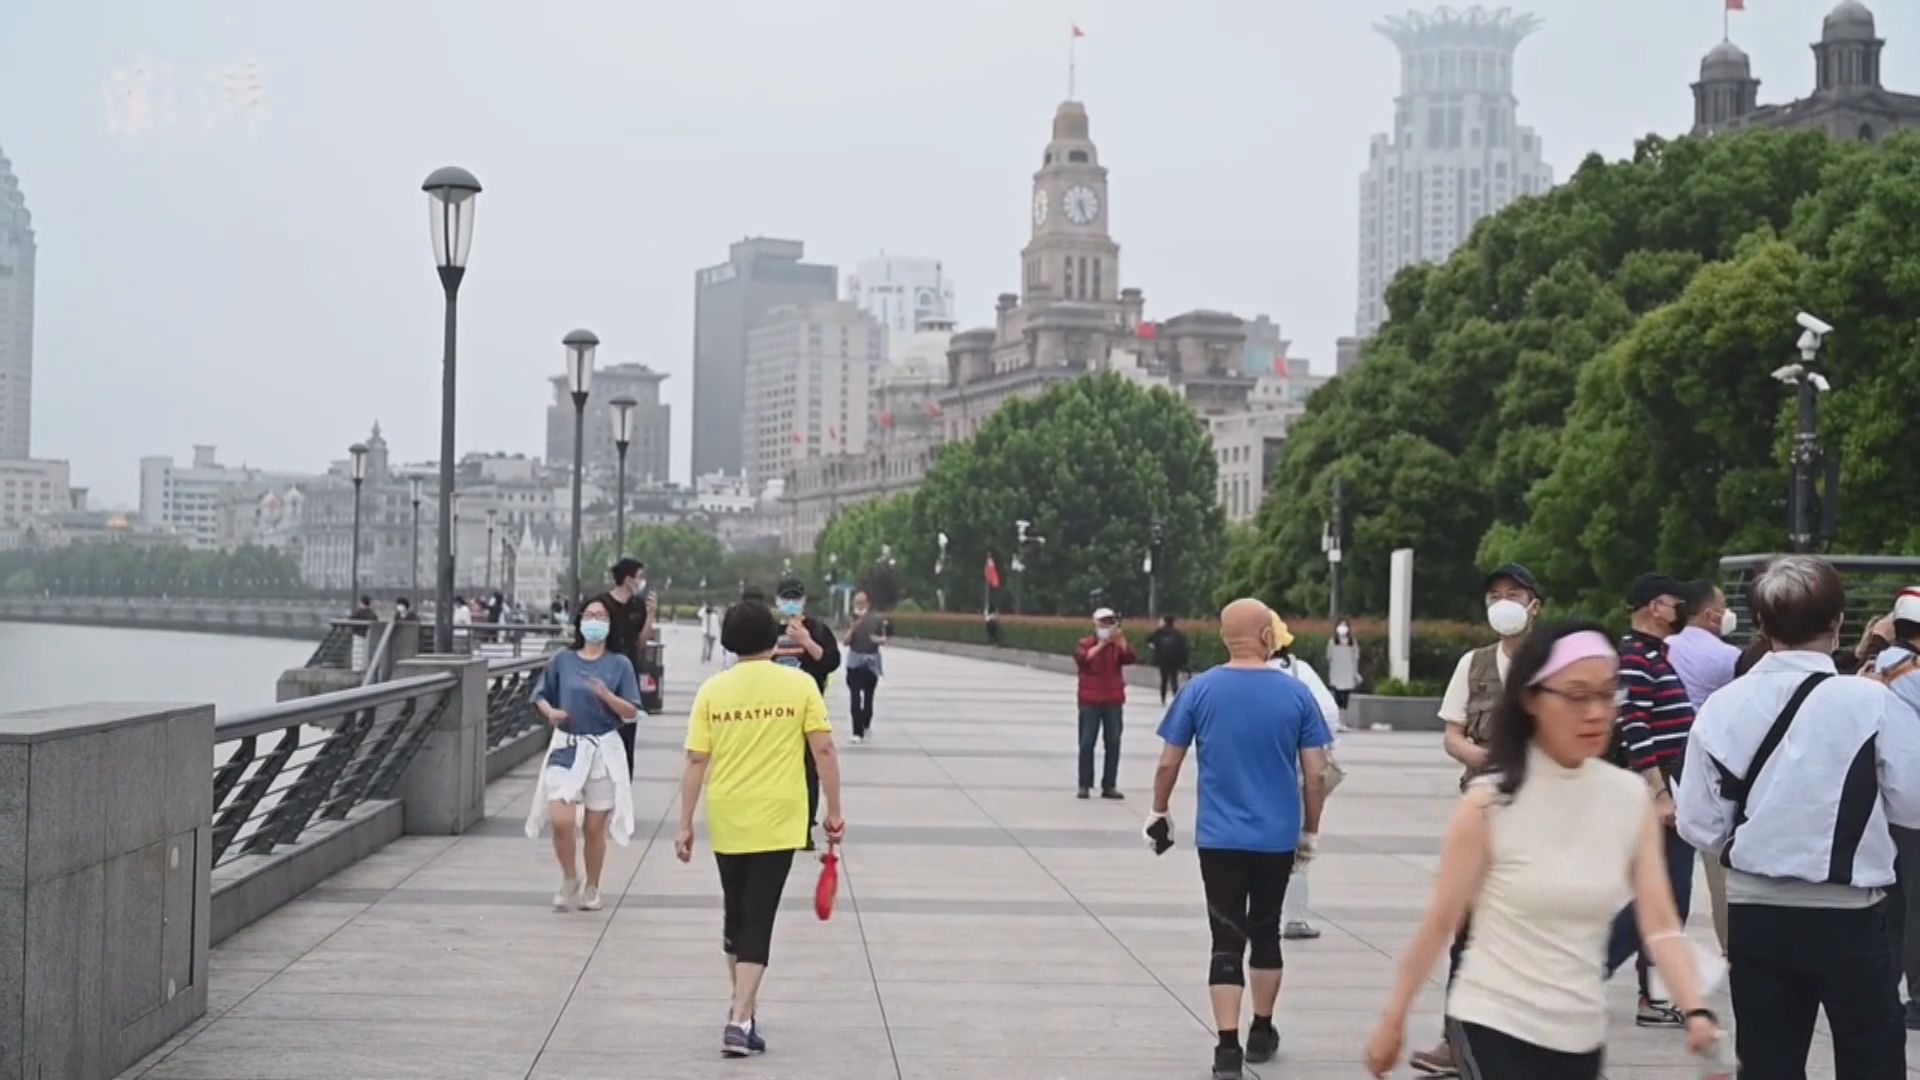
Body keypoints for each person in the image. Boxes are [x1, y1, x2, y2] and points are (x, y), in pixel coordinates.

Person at [1365, 622, 1720, 1079]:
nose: (1596, 713)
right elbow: (1439, 923)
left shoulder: (1629, 798)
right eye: (1576, 696)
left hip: (1578, 1031)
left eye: (1607, 694)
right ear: (1532, 699)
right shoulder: (1489, 803)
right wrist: (1394, 1018)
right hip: (1493, 1021)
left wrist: (1696, 1011)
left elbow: (1659, 923)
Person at [1677, 556, 1920, 1078]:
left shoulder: (1721, 706)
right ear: (1837, 625)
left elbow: (1698, 823)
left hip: (1756, 915)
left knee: (1767, 1063)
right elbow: (1912, 802)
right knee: (1872, 1062)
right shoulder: (1870, 702)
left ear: (1761, 626)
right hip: (1851, 917)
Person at [1149, 599, 1331, 1080]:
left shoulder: (1199, 690)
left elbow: (1168, 762)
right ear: (1267, 636)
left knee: (1225, 938)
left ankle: (1226, 1048)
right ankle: (1262, 1030)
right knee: (1266, 931)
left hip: (1219, 838)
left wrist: (1159, 811)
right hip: (1275, 839)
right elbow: (1316, 775)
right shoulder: (1296, 696)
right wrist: (1311, 829)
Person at [675, 598, 845, 1059]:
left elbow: (696, 759)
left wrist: (685, 823)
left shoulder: (713, 691)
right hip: (779, 815)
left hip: (729, 814)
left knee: (737, 912)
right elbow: (824, 750)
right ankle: (738, 1019)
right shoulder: (800, 686)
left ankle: (743, 1010)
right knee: (759, 914)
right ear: (775, 639)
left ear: (729, 640)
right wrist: (833, 809)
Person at [1409, 562, 1541, 1077]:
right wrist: (1487, 759)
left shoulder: (1555, 662)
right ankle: (1454, 1041)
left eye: (1513, 593)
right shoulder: (1474, 662)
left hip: (1543, 813)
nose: (1503, 603)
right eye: (1494, 595)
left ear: (1535, 604)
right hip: (1483, 811)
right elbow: (1453, 733)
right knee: (1467, 929)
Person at [1604, 573, 1698, 1028]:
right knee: (1662, 897)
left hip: (1672, 787)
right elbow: (1635, 728)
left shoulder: (1655, 656)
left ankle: (1654, 996)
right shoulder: (1635, 658)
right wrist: (1658, 793)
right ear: (1649, 606)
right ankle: (1588, 974)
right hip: (1658, 791)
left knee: (1669, 897)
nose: (1677, 609)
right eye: (1671, 602)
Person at [523, 598, 640, 912]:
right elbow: (540, 694)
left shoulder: (620, 664)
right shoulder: (563, 659)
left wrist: (606, 696)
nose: (595, 620)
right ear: (579, 621)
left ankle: (593, 886)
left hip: (603, 749)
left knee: (593, 828)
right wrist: (550, 712)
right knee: (561, 820)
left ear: (609, 624)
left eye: (601, 616)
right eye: (590, 615)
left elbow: (631, 712)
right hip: (567, 747)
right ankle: (569, 876)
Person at [1665, 579, 1741, 958]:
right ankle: (1734, 952)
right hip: (1713, 772)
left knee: (1667, 879)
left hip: (1667, 773)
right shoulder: (1727, 658)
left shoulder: (1662, 649)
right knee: (1720, 877)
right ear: (1711, 614)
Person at [1267, 614, 1342, 942]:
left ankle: (1252, 914)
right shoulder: (1299, 671)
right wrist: (1316, 750)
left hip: (1249, 777)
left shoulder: (1236, 674)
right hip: (1295, 774)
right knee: (1298, 845)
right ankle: (1294, 918)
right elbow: (1329, 713)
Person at [774, 577, 840, 846]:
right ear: (777, 601)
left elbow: (831, 662)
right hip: (774, 710)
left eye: (795, 598)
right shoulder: (768, 630)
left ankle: (804, 827)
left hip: (808, 710)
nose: (790, 603)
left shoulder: (818, 629)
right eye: (785, 598)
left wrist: (806, 640)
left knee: (808, 769)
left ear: (803, 600)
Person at [592, 558, 656, 779]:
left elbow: (642, 642)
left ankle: (624, 781)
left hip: (629, 677)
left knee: (628, 731)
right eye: (639, 576)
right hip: (604, 677)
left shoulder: (638, 606)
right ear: (628, 579)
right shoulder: (601, 605)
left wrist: (650, 614)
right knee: (602, 732)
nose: (641, 581)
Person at [1075, 607, 1137, 800]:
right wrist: (1102, 644)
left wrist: (1120, 640)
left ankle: (1109, 784)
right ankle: (1084, 784)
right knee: (1086, 743)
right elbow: (1084, 659)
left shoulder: (1116, 646)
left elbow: (1130, 657)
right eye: (1103, 622)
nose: (1106, 626)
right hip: (1089, 701)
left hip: (1113, 700)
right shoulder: (1085, 643)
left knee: (1113, 742)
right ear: (1094, 624)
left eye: (1110, 622)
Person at [843, 589, 888, 743]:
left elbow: (884, 638)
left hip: (870, 662)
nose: (859, 605)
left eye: (862, 602)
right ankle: (857, 731)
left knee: (868, 697)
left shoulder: (877, 619)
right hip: (854, 662)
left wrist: (878, 640)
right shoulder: (850, 618)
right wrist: (852, 628)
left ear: (867, 603)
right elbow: (845, 641)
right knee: (855, 697)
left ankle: (866, 722)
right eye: (856, 602)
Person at [1147, 615, 1192, 705]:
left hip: (1163, 660)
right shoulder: (1177, 633)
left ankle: (1163, 699)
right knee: (1173, 680)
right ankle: (1176, 699)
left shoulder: (1159, 632)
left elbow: (1149, 641)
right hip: (1174, 661)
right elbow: (1183, 648)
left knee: (1164, 680)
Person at [1326, 620, 1361, 721]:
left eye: (1345, 625)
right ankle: (1337, 721)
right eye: (1341, 625)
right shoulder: (1332, 642)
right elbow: (1329, 657)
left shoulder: (1352, 642)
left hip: (1348, 674)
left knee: (1345, 698)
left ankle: (1343, 722)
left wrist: (1355, 673)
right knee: (1337, 698)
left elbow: (1356, 657)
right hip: (1337, 673)